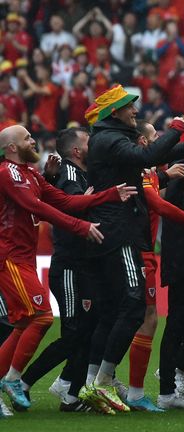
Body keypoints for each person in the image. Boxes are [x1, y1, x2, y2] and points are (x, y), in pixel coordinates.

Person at [80, 85, 184, 413]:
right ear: (115, 112)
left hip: (124, 231)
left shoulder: (112, 140)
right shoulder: (111, 140)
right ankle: (100, 383)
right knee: (135, 307)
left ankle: (96, 382)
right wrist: (180, 128)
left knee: (121, 310)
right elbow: (150, 157)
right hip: (122, 233)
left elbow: (158, 156)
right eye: (130, 107)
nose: (135, 112)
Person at [0, 124, 134, 413]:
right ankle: (13, 379)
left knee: (24, 323)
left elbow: (65, 201)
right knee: (43, 318)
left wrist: (108, 195)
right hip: (9, 257)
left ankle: (13, 380)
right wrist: (80, 226)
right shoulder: (7, 173)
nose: (33, 140)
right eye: (26, 138)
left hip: (24, 257)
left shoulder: (32, 174)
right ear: (12, 148)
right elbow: (39, 207)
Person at [124, 120, 184, 412]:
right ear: (143, 144)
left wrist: (164, 175)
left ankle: (166, 389)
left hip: (167, 253)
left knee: (173, 319)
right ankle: (178, 376)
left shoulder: (162, 171)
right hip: (176, 253)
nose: (161, 142)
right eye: (155, 138)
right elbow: (159, 205)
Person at [17, 128, 104, 413]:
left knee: (87, 330)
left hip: (84, 265)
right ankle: (24, 381)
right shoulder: (68, 173)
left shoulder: (78, 173)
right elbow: (67, 209)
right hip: (69, 266)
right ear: (77, 151)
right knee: (74, 331)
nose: (94, 145)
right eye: (88, 142)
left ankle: (71, 394)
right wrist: (90, 201)